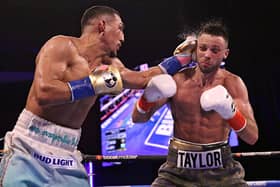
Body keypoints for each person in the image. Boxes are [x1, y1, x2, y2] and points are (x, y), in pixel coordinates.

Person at [0, 5, 196, 187]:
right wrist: (95, 84)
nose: (123, 38)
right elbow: (45, 93)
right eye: (120, 28)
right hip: (29, 145)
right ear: (102, 25)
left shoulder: (112, 66)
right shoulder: (61, 45)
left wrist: (184, 58)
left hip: (67, 153)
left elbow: (144, 78)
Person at [132, 19, 259, 187]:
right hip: (176, 172)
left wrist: (231, 112)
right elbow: (138, 118)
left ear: (225, 53)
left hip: (222, 172)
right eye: (203, 48)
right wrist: (148, 96)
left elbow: (252, 137)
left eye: (215, 50)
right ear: (195, 49)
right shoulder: (177, 80)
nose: (207, 54)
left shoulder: (232, 84)